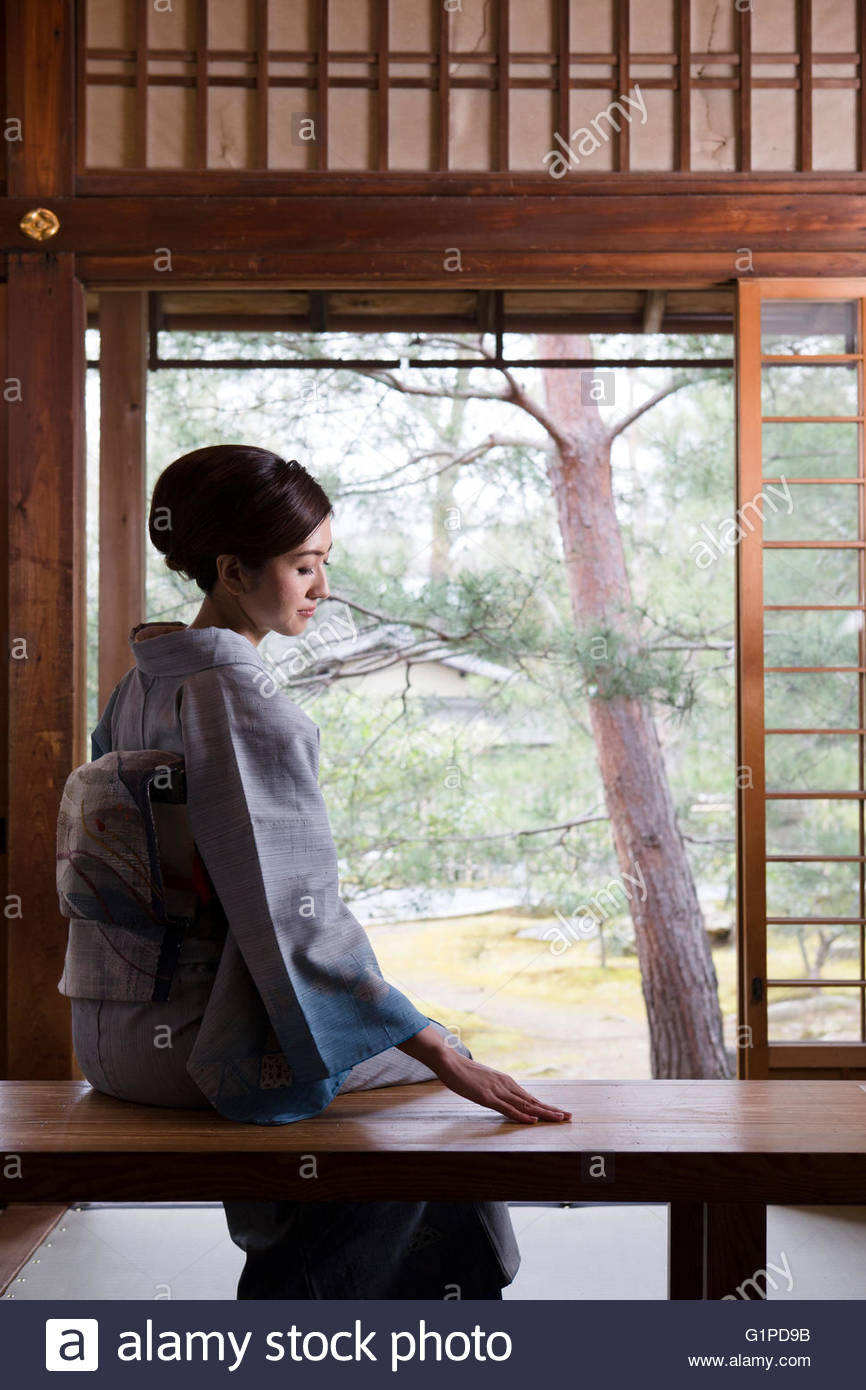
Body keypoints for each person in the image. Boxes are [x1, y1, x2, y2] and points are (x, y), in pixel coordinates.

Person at [64, 444, 572, 1300]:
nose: (322, 588)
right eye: (305, 565)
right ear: (232, 569)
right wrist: (443, 1051)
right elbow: (294, 916)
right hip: (193, 1047)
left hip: (110, 1035)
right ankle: (337, 1316)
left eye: (322, 564)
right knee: (433, 1091)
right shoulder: (235, 692)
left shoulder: (137, 684)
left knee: (390, 1060)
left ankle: (387, 1311)